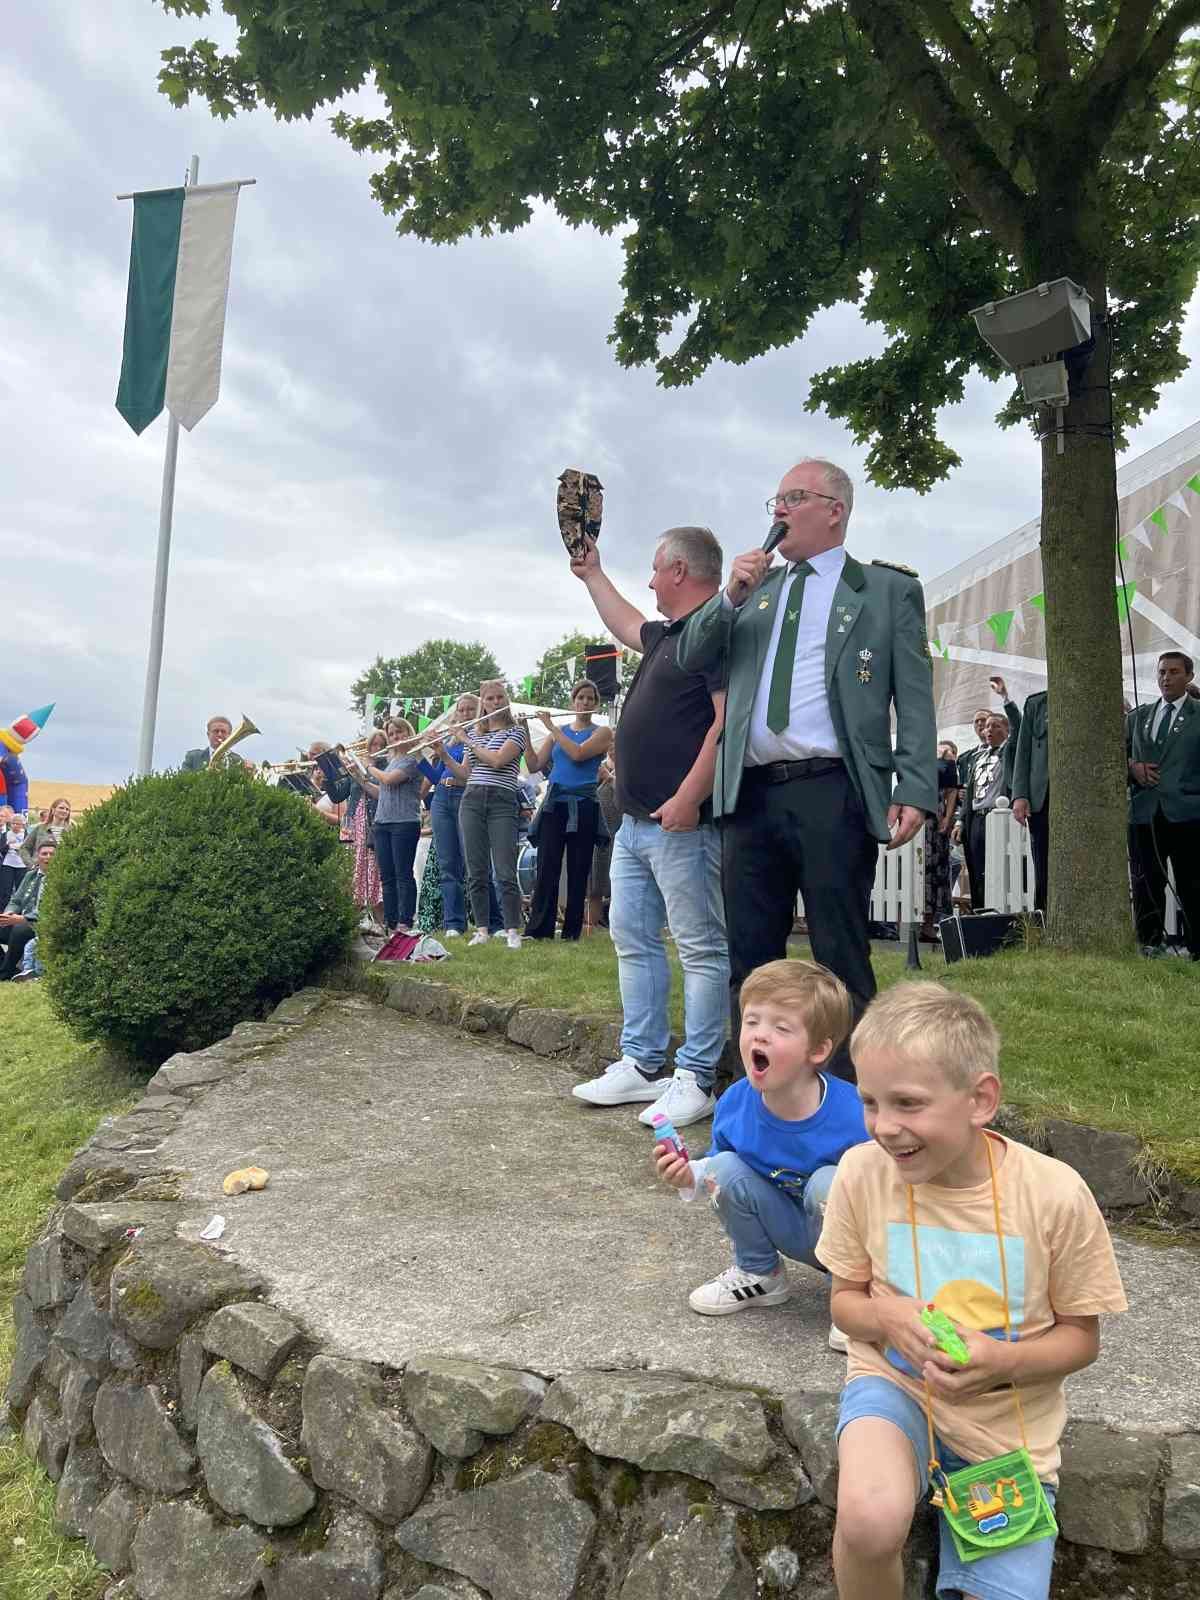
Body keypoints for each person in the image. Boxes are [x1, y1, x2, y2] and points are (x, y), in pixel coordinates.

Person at [817, 981, 1127, 1600]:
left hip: (1007, 1432)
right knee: (869, 1519)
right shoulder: (860, 1172)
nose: (885, 1127)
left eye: (908, 1103)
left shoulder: (1055, 1195)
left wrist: (1004, 1362)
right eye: (870, 1101)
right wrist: (887, 1316)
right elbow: (845, 1303)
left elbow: (1081, 1338)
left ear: (980, 1099)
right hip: (895, 1388)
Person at [676, 458, 937, 1079]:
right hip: (750, 794)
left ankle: (847, 1095)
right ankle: (755, 1093)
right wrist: (727, 597)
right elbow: (690, 655)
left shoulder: (884, 590)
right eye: (776, 499)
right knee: (751, 953)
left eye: (794, 498)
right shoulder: (756, 592)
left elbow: (914, 696)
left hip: (833, 788)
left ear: (835, 510)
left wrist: (915, 786)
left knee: (839, 950)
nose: (779, 510)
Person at [568, 525, 730, 1130]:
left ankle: (697, 1076)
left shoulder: (714, 632)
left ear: (681, 571)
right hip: (636, 825)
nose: (651, 580)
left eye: (657, 569)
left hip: (681, 823)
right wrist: (592, 574)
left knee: (699, 946)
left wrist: (690, 796)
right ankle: (642, 1062)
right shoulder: (665, 635)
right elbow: (625, 621)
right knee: (632, 938)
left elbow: (725, 722)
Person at [653, 959, 867, 1342]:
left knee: (829, 1181)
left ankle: (855, 1298)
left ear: (818, 1049)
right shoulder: (735, 1103)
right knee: (724, 1167)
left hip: (855, 1245)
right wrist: (689, 1176)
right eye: (751, 1021)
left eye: (780, 1028)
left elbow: (890, 1196)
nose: (759, 1036)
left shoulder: (855, 1114)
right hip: (792, 1228)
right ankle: (759, 1272)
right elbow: (719, 1169)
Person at [434, 681, 531, 950]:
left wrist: (466, 739)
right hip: (472, 800)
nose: (495, 702)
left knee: (504, 869)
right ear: (484, 704)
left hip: (502, 800)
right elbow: (466, 774)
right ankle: (482, 929)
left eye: (500, 697)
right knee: (475, 869)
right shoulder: (475, 735)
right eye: (490, 698)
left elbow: (498, 760)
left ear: (506, 700)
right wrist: (444, 756)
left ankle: (512, 930)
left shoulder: (516, 732)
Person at [525, 681, 614, 941]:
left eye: (590, 698)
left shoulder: (602, 732)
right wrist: (524, 733)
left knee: (578, 867)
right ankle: (539, 930)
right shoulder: (558, 733)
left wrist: (551, 727)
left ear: (595, 703)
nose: (585, 702)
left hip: (583, 804)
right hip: (555, 803)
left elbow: (578, 754)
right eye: (580, 698)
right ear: (573, 701)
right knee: (547, 865)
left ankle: (571, 931)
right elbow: (534, 765)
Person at [1127, 650, 1200, 958]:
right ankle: (1149, 944)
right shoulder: (1138, 717)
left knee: (1193, 884)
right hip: (1144, 814)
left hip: (1189, 814)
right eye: (1161, 672)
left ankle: (1197, 950)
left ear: (1189, 676)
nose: (1166, 678)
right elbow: (1116, 754)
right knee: (1145, 883)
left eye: (1173, 672)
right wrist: (1132, 768)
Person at [957, 710, 1014, 911]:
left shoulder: (1010, 751)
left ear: (1007, 730)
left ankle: (998, 911)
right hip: (976, 819)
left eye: (995, 726)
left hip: (997, 816)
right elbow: (969, 791)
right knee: (976, 866)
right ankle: (979, 911)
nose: (988, 730)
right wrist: (961, 820)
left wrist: (1006, 700)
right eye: (987, 726)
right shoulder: (977, 757)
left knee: (997, 867)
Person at [371, 718, 421, 935]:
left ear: (408, 732)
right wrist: (359, 777)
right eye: (391, 734)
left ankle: (405, 921)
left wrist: (369, 767)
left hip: (404, 822)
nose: (395, 737)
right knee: (387, 877)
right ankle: (390, 923)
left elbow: (390, 780)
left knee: (403, 874)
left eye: (399, 732)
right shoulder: (392, 760)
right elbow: (382, 791)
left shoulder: (412, 760)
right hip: (382, 822)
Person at [1011, 690, 1049, 915]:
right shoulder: (1037, 704)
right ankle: (1043, 922)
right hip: (1042, 798)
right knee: (1042, 867)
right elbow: (1023, 750)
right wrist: (1020, 794)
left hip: (1078, 798)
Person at [347, 729, 387, 932]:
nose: (377, 748)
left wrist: (365, 770)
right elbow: (339, 795)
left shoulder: (386, 766)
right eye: (373, 744)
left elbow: (381, 791)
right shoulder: (358, 764)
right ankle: (354, 919)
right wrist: (334, 772)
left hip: (373, 821)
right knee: (352, 865)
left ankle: (380, 920)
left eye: (381, 745)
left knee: (373, 866)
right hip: (352, 820)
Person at [0, 839, 55, 980]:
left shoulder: (59, 879)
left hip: (43, 922)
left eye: (52, 854)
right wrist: (8, 914)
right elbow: (16, 900)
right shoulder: (30, 875)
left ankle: (5, 974)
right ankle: (10, 968)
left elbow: (50, 909)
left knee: (19, 930)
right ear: (38, 856)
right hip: (20, 918)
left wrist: (22, 919)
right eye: (44, 854)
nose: (48, 857)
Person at [920, 743, 958, 939]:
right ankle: (904, 922)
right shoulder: (909, 749)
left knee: (933, 869)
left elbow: (952, 790)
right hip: (911, 810)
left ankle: (928, 923)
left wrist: (947, 817)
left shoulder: (945, 755)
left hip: (935, 817)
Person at [182, 715, 247, 771]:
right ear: (208, 734)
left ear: (229, 736)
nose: (219, 734)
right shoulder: (193, 757)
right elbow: (184, 777)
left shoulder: (237, 760)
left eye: (223, 732)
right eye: (216, 731)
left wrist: (248, 773)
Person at [21, 797, 72, 865]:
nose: (64, 811)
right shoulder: (40, 828)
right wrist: (31, 864)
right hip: (41, 868)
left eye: (67, 809)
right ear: (53, 810)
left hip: (63, 869)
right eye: (61, 808)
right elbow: (24, 848)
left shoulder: (72, 831)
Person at [0, 808, 28, 908]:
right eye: (13, 823)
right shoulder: (5, 834)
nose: (15, 825)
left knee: (20, 889)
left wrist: (21, 850)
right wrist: (8, 845)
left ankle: (18, 911)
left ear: (22, 825)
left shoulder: (26, 835)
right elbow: (1, 850)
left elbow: (30, 849)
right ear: (10, 824)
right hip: (7, 864)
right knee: (5, 889)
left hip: (22, 865)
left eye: (18, 824)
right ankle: (3, 911)